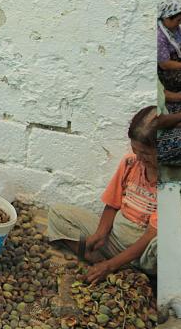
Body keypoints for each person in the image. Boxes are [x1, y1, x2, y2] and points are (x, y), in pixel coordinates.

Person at [47, 106, 157, 284]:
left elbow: (150, 235)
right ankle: (116, 268)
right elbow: (113, 204)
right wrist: (101, 233)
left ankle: (116, 267)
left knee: (162, 248)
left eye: (145, 153)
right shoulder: (130, 163)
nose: (139, 157)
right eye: (135, 150)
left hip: (145, 253)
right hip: (114, 239)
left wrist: (110, 266)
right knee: (57, 213)